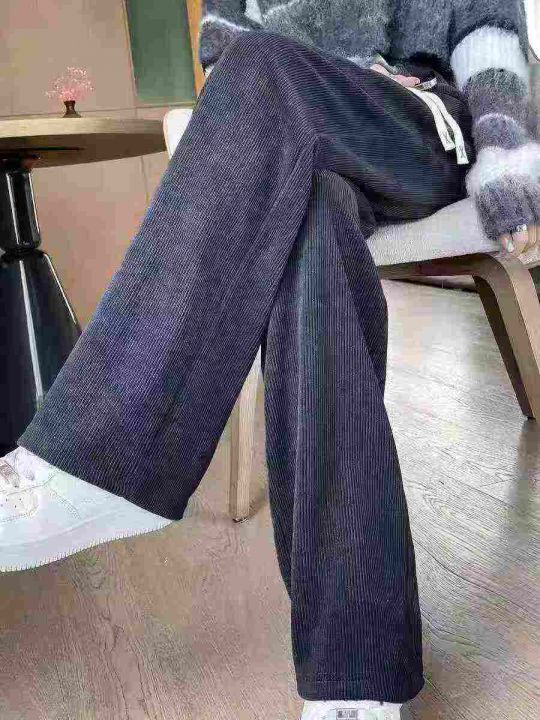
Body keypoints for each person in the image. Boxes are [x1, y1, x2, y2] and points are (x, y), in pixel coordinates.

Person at [1, 2, 538, 719]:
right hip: (301, 131)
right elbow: (223, 50)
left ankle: (97, 456)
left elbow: (487, 34)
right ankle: (356, 676)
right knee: (310, 222)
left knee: (265, 73)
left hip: (418, 126)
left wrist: (507, 157)